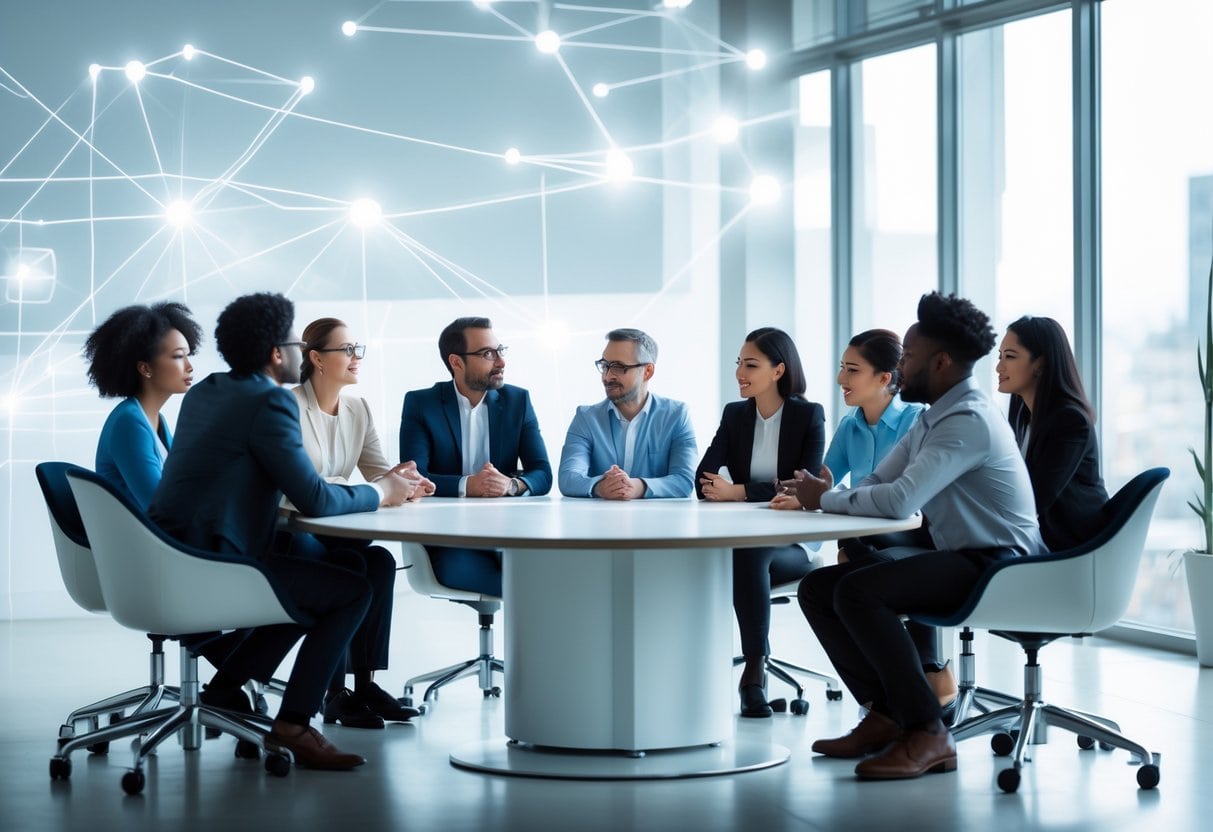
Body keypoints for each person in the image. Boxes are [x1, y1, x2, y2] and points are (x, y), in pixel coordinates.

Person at [149, 292, 418, 771]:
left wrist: (383, 484)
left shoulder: (208, 390)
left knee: (316, 585)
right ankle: (294, 725)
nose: (300, 351)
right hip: (212, 564)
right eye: (295, 343)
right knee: (351, 591)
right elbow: (314, 496)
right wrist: (381, 492)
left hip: (170, 557)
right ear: (278, 353)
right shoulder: (269, 403)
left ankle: (226, 690)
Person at [781, 292, 1043, 780]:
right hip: (967, 555)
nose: (901, 368)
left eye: (909, 358)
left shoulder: (966, 420)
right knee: (819, 589)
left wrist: (824, 499)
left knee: (860, 591)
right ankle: (885, 714)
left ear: (941, 362)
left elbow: (899, 500)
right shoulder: (932, 418)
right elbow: (876, 483)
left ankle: (928, 731)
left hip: (1002, 564)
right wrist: (836, 495)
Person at [774, 330, 954, 710]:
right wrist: (799, 493)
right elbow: (824, 479)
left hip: (915, 533)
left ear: (884, 378)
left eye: (852, 370)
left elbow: (906, 497)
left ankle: (928, 668)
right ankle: (889, 689)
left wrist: (824, 496)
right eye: (842, 368)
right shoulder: (849, 425)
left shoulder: (915, 420)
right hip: (866, 533)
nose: (841, 379)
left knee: (861, 555)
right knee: (851, 555)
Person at [293, 317, 435, 728]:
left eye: (358, 349)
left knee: (379, 563)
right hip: (294, 533)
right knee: (349, 568)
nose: (357, 358)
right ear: (317, 358)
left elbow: (377, 472)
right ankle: (334, 693)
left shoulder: (358, 407)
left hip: (335, 527)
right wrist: (382, 486)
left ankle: (364, 684)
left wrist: (408, 480)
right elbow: (304, 485)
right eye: (347, 350)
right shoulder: (290, 407)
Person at [694, 327, 825, 718]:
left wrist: (737, 492)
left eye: (751, 364)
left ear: (778, 370)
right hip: (745, 536)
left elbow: (804, 484)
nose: (739, 372)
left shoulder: (808, 415)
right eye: (739, 363)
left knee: (747, 556)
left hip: (792, 542)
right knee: (739, 553)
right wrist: (745, 490)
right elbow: (703, 478)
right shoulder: (735, 414)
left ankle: (754, 668)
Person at [399, 316, 552, 597]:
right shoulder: (421, 404)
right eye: (487, 354)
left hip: (508, 537)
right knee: (532, 586)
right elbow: (413, 478)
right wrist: (470, 485)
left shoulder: (518, 401)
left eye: (500, 351)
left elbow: (542, 472)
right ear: (456, 362)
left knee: (547, 570)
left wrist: (511, 485)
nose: (500, 362)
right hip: (448, 540)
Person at [996, 315, 1109, 550]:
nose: (999, 367)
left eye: (1010, 356)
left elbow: (1033, 500)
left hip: (1071, 546)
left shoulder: (1070, 421)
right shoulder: (1021, 412)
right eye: (1000, 356)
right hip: (1035, 536)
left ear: (1040, 363)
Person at [85, 302, 202, 509]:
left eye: (188, 355)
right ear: (145, 368)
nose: (189, 366)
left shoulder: (156, 420)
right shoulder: (129, 423)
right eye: (178, 356)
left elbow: (182, 483)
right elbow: (160, 506)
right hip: (142, 540)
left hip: (159, 534)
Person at [558, 328, 697, 500]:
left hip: (658, 522)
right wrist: (601, 486)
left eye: (618, 367)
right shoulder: (586, 418)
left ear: (648, 371)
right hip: (599, 521)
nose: (607, 376)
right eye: (605, 366)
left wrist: (637, 487)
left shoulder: (676, 416)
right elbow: (567, 478)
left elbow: (684, 480)